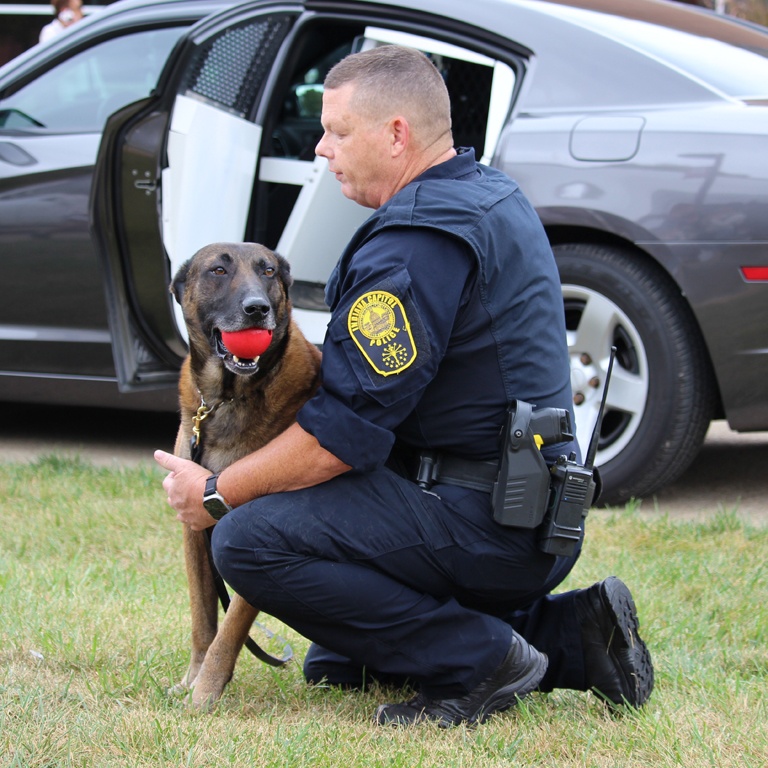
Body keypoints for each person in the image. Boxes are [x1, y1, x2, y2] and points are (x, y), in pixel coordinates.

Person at [155, 44, 653, 727]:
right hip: (530, 511)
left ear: (397, 134)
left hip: (483, 520)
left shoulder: (414, 243)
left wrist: (214, 494)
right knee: (335, 660)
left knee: (249, 541)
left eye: (337, 131)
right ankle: (575, 638)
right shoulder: (489, 195)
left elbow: (342, 438)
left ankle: (479, 661)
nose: (323, 149)